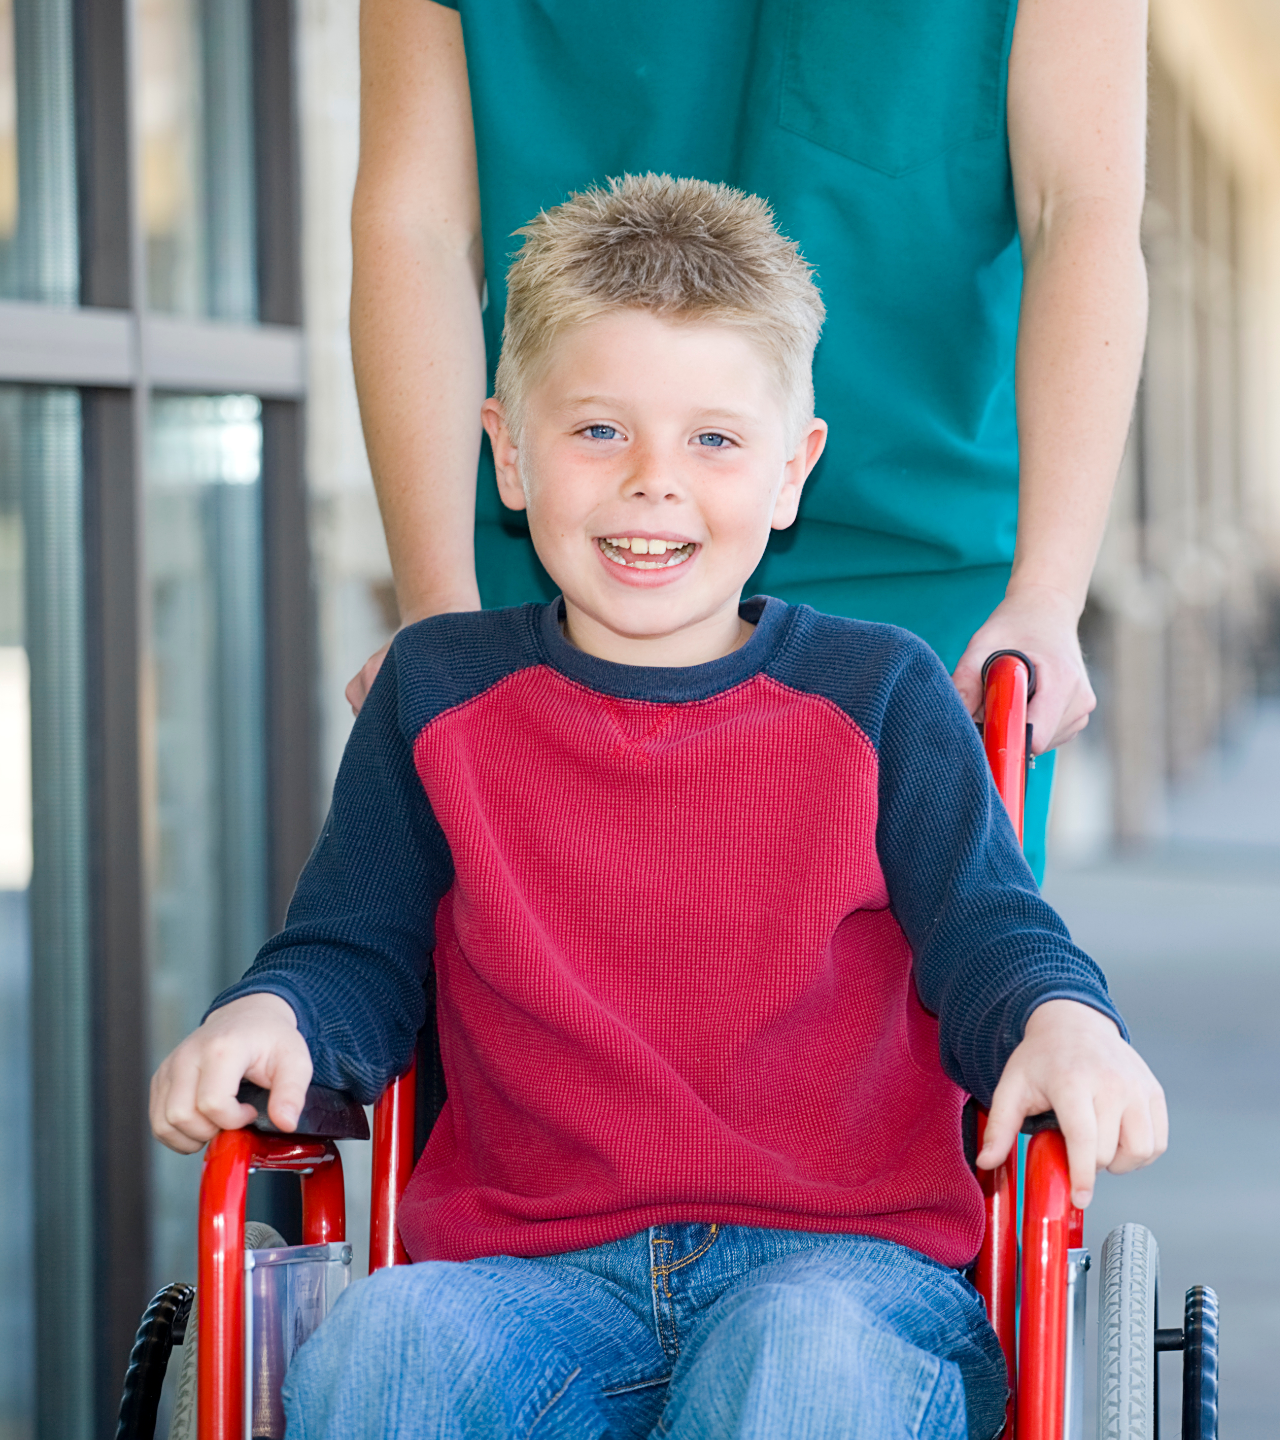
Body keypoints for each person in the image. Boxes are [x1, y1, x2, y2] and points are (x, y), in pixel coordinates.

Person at [151, 178, 1165, 1439]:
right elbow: (353, 949)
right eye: (596, 433)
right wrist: (274, 1011)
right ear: (509, 454)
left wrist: (1063, 1019)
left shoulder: (879, 691)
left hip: (838, 1270)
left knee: (808, 1366)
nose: (651, 484)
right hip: (531, 1278)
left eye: (713, 441)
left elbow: (985, 930)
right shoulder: (438, 693)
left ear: (792, 472)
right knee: (384, 1346)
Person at [343, 0, 1149, 883]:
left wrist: (1047, 592)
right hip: (569, 566)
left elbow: (1082, 212)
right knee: (535, 986)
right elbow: (414, 224)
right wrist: (438, 609)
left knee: (935, 988)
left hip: (923, 582)